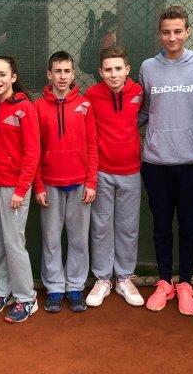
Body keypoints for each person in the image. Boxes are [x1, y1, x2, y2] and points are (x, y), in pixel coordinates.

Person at [138, 6, 193, 316]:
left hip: (192, 162)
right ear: (160, 34)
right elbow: (144, 111)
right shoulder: (148, 67)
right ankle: (163, 282)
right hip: (155, 162)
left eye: (178, 31)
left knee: (188, 226)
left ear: (188, 32)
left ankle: (185, 284)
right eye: (166, 32)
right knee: (160, 226)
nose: (172, 37)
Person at [34, 51, 98, 313]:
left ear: (73, 75)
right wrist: (38, 185)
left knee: (78, 239)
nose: (62, 76)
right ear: (49, 75)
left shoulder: (85, 105)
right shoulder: (38, 107)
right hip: (50, 184)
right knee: (51, 239)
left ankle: (74, 286)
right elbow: (35, 150)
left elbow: (92, 145)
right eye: (57, 71)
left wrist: (91, 181)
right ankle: (54, 287)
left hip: (80, 183)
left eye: (67, 71)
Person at [84, 47, 145, 308]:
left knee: (128, 226)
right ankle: (102, 279)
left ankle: (124, 278)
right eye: (108, 70)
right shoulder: (91, 95)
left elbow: (145, 116)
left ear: (127, 69)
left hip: (131, 171)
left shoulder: (139, 92)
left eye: (118, 69)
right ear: (100, 72)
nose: (113, 74)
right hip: (102, 171)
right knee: (101, 226)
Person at [0, 55, 40, 323]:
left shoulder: (24, 107)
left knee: (14, 243)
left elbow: (32, 152)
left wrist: (21, 189)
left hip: (14, 188)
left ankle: (27, 297)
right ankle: (3, 290)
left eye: (2, 75)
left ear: (13, 78)